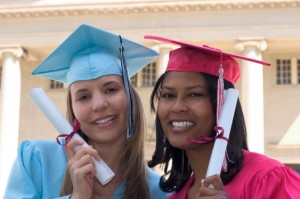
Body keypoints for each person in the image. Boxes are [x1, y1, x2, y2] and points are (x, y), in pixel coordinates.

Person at [4, 24, 168, 199]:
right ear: (73, 109)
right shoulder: (37, 161)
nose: (98, 105)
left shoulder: (158, 191)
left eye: (111, 89)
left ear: (130, 96)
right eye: (83, 97)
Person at [145, 35, 300, 198]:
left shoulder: (267, 178)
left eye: (195, 94)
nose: (177, 107)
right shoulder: (176, 196)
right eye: (168, 95)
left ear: (223, 104)